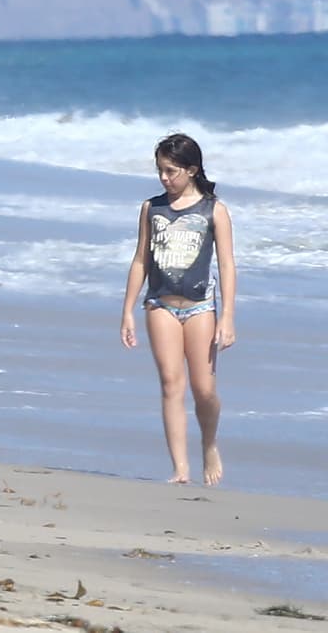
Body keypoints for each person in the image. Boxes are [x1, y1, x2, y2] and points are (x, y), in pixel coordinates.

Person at [120, 133, 236, 486]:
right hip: (160, 304)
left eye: (171, 171)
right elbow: (141, 259)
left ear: (192, 169)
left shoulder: (214, 210)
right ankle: (181, 469)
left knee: (204, 391)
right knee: (172, 384)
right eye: (160, 171)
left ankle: (210, 443)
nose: (164, 178)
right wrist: (127, 310)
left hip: (201, 307)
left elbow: (227, 265)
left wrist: (227, 316)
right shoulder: (151, 208)